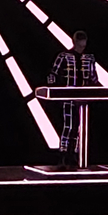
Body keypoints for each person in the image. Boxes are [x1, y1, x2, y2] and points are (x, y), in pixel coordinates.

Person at [45, 29, 98, 168]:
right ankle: (63, 155)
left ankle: (75, 154)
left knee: (79, 128)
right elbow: (53, 74)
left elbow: (93, 77)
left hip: (83, 98)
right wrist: (56, 90)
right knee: (68, 126)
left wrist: (94, 89)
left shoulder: (89, 58)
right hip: (68, 97)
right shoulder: (63, 56)